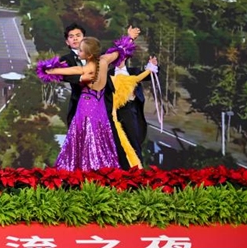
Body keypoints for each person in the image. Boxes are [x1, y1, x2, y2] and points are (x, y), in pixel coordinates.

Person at [42, 36, 133, 171]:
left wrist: (47, 68)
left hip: (85, 109)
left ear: (89, 55)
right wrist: (130, 38)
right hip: (100, 110)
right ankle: (102, 170)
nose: (78, 53)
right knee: (100, 138)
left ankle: (85, 170)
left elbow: (52, 71)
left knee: (84, 138)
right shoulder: (104, 61)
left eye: (80, 51)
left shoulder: (86, 69)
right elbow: (120, 51)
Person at [111, 56, 159, 168]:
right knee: (117, 142)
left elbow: (146, 75)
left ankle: (137, 168)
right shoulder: (108, 73)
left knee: (134, 139)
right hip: (114, 112)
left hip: (131, 110)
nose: (118, 59)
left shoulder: (133, 71)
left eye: (121, 56)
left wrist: (152, 66)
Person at [59, 23, 87, 127]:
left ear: (84, 38)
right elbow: (64, 75)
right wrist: (81, 78)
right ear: (67, 42)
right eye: (71, 37)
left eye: (78, 35)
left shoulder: (96, 56)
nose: (75, 39)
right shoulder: (65, 60)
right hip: (78, 103)